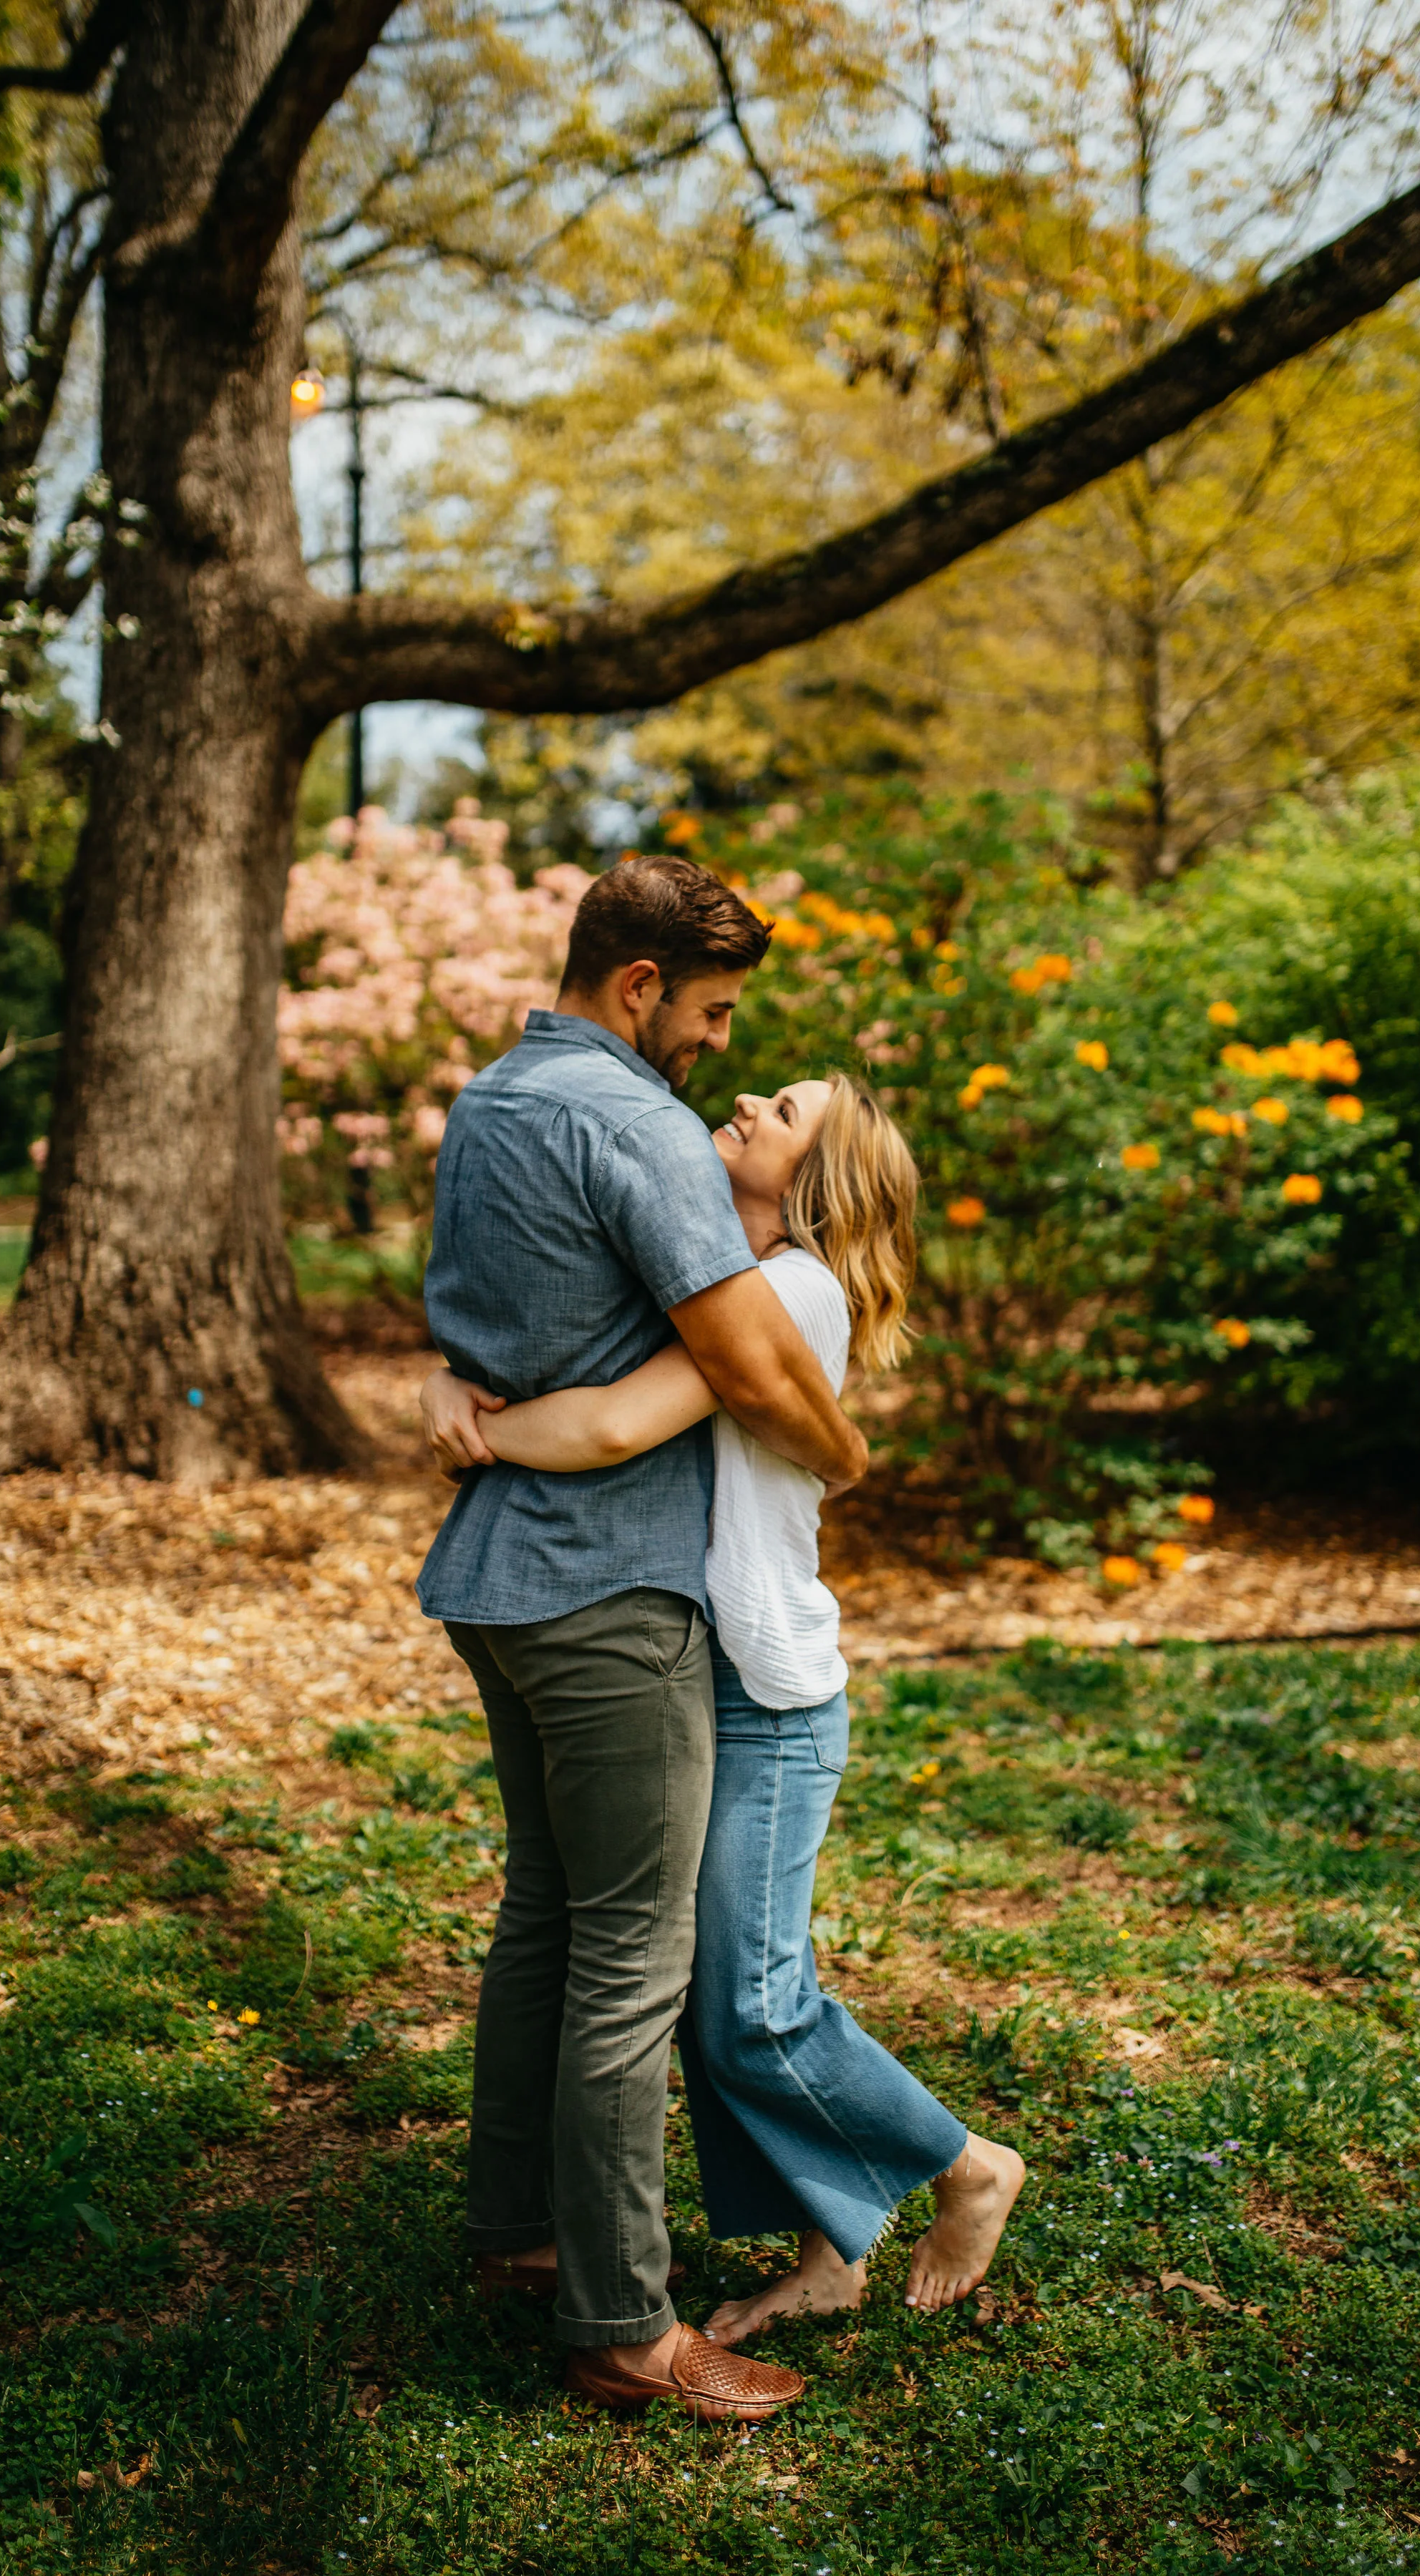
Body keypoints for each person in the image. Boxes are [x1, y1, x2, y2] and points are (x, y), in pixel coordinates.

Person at [426, 1070, 1026, 2346]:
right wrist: (449, 1376)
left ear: (819, 1185)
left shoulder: (793, 1292)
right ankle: (831, 2252)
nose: (749, 1097)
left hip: (771, 1700)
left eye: (787, 1111)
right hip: (711, 1682)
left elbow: (610, 1424)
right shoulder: (731, 1284)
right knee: (720, 1996)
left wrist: (473, 1426)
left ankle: (969, 2167)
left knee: (751, 2006)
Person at [415, 854, 867, 2425]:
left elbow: (487, 1323)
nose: (718, 1046)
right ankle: (623, 2323)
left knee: (546, 1913)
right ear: (639, 986)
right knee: (629, 1954)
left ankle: (516, 2228)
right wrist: (850, 1456)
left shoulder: (491, 1101)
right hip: (607, 1591)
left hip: (495, 1582)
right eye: (713, 1011)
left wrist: (453, 1397)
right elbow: (749, 1361)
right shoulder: (639, 1125)